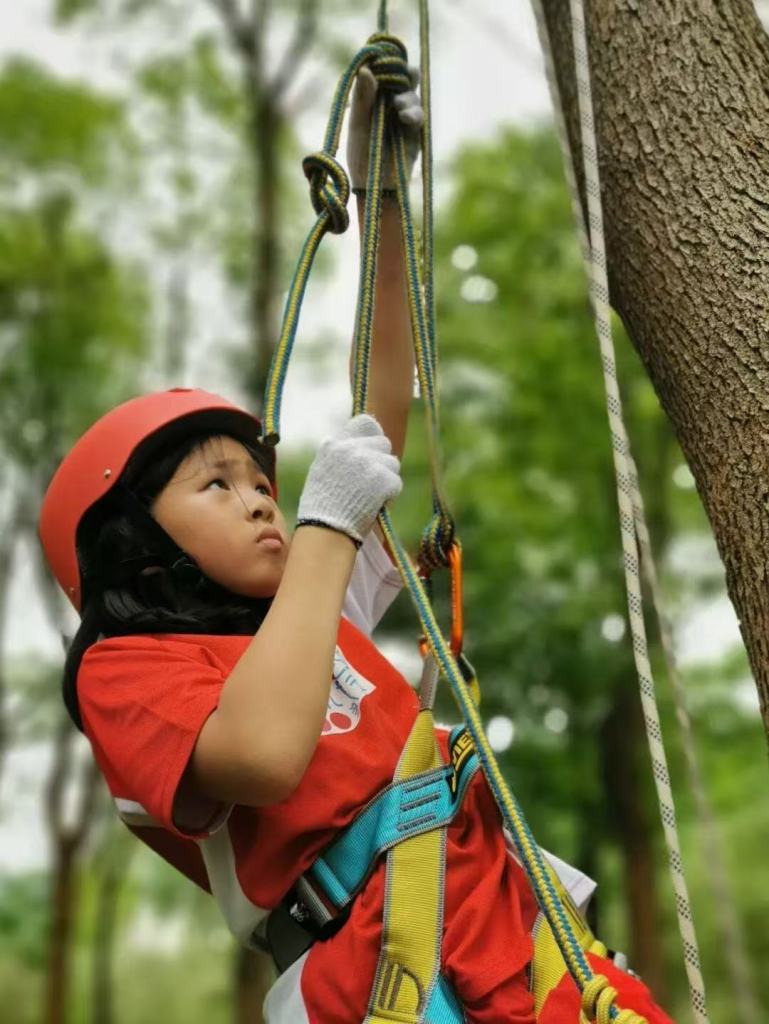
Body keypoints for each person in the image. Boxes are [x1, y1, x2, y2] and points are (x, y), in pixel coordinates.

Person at [38, 69, 674, 1024]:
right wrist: (328, 529)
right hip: (379, 969)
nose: (263, 502)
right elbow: (261, 755)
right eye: (218, 486)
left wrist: (382, 193)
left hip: (512, 919)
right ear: (135, 546)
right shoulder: (128, 670)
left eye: (264, 484)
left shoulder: (307, 601)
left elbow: (381, 403)